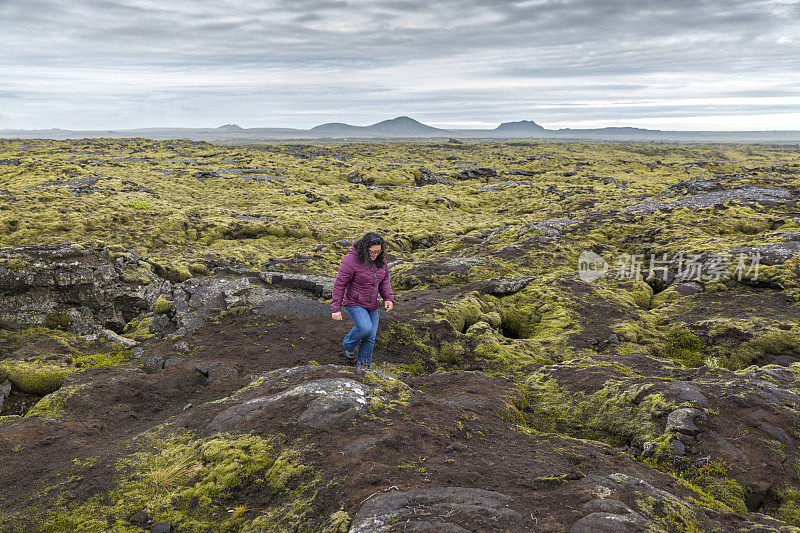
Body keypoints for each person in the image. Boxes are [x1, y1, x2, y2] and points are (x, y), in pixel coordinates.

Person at [331, 232, 394, 372]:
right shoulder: (350, 260)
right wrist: (336, 308)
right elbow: (339, 285)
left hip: (372, 304)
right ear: (365, 249)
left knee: (370, 338)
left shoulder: (380, 259)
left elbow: (384, 280)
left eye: (378, 251)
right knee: (365, 328)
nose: (375, 255)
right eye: (373, 252)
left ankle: (363, 370)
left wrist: (388, 298)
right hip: (354, 301)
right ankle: (348, 343)